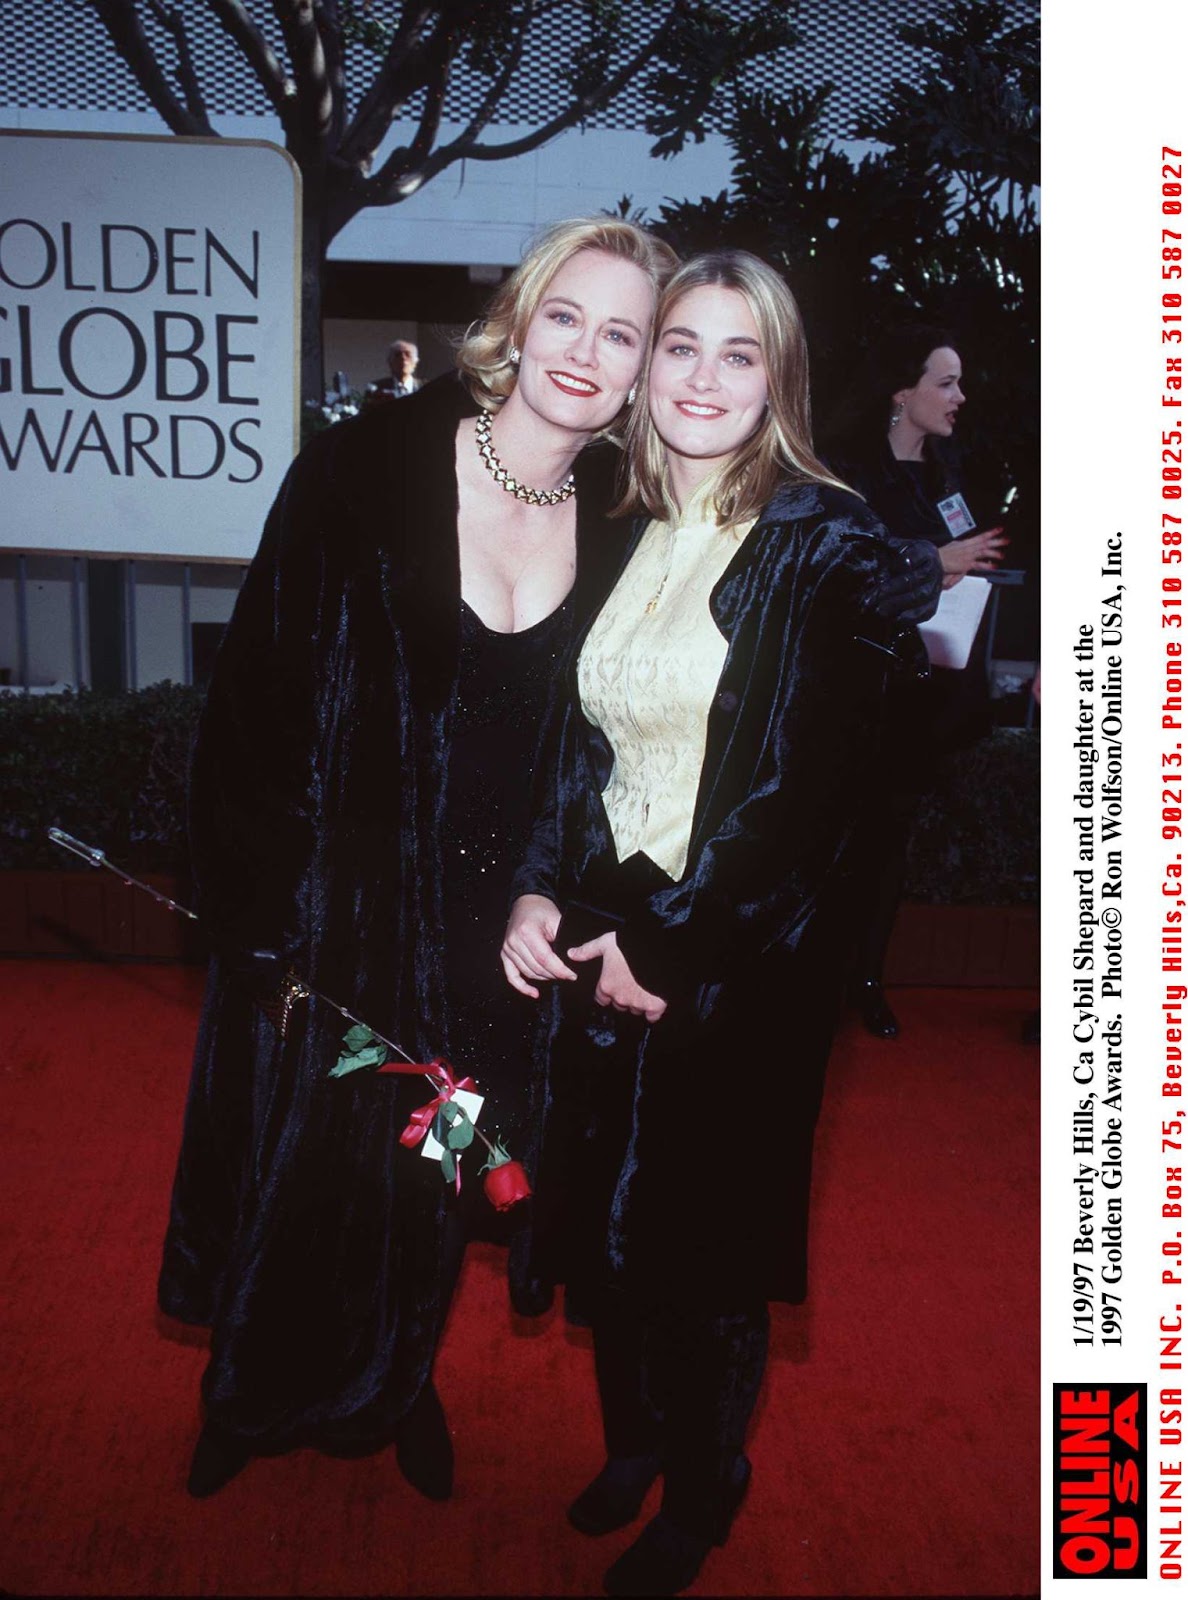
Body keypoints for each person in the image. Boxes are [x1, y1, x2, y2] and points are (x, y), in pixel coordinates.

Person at [157, 216, 678, 1503]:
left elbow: (624, 745)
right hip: (337, 905)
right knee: (311, 1155)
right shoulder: (364, 465)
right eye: (567, 314)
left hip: (503, 929)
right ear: (518, 317)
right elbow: (255, 700)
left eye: (621, 333)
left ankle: (396, 1376)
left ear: (641, 371)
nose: (584, 351)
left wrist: (569, 890)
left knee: (442, 1165)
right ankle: (251, 1386)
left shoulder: (629, 525)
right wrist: (259, 906)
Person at [501, 250, 921, 1596]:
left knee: (702, 1250)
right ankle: (634, 1443)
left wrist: (676, 945)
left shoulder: (829, 541)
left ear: (779, 379)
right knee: (600, 1228)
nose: (703, 376)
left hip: (740, 955)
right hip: (610, 922)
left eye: (740, 354)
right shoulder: (619, 522)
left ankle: (704, 1485)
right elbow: (575, 746)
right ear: (644, 366)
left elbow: (809, 796)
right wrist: (543, 886)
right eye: (681, 344)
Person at [823, 328, 1009, 1038]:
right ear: (902, 393)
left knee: (888, 838)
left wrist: (965, 562)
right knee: (831, 836)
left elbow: (965, 553)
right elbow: (844, 566)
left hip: (919, 693)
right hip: (849, 689)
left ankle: (865, 978)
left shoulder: (950, 475)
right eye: (946, 383)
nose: (959, 397)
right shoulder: (845, 470)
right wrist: (941, 557)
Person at [366, 336, 421, 401]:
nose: (403, 358)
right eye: (398, 355)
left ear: (415, 362)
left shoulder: (425, 387)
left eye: (407, 354)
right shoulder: (375, 388)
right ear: (390, 362)